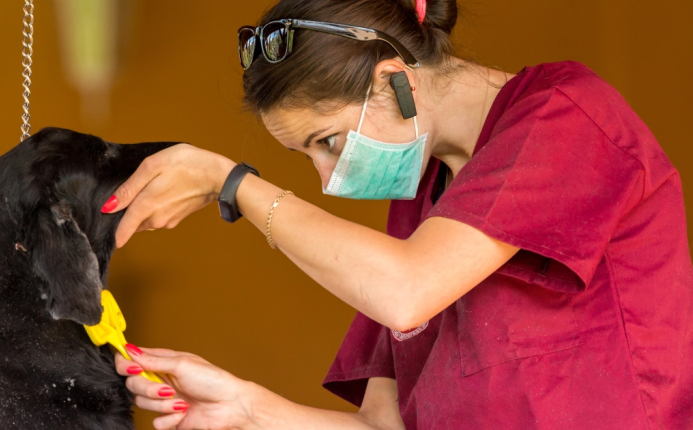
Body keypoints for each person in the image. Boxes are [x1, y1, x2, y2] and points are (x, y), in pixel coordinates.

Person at [104, 0, 693, 429]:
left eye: (327, 140)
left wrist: (232, 184)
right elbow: (384, 425)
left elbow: (406, 290)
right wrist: (247, 407)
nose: (327, 179)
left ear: (395, 82)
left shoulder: (565, 118)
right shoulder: (421, 196)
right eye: (306, 155)